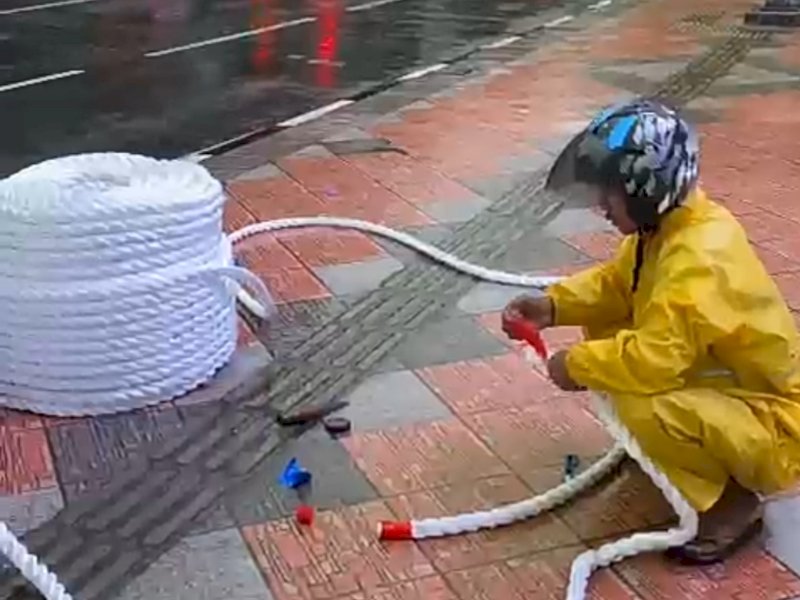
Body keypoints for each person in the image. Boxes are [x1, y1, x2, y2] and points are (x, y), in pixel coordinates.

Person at [502, 98, 800, 565]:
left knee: (642, 399)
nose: (600, 205)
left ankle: (731, 504)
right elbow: (619, 284)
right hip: (736, 388)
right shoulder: (669, 228)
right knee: (607, 329)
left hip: (777, 425)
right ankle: (695, 458)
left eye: (608, 193)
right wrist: (553, 306)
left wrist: (574, 366)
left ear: (644, 188)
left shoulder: (699, 256)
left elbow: (651, 362)